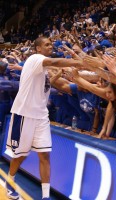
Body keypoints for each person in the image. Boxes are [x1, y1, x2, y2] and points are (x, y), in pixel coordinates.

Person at [5, 36, 83, 200]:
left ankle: (45, 196)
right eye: (47, 44)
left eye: (51, 44)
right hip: (24, 113)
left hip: (41, 116)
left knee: (45, 155)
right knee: (20, 155)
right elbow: (55, 62)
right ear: (38, 48)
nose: (50, 46)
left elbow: (63, 85)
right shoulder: (35, 59)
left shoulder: (44, 70)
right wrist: (76, 62)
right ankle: (9, 183)